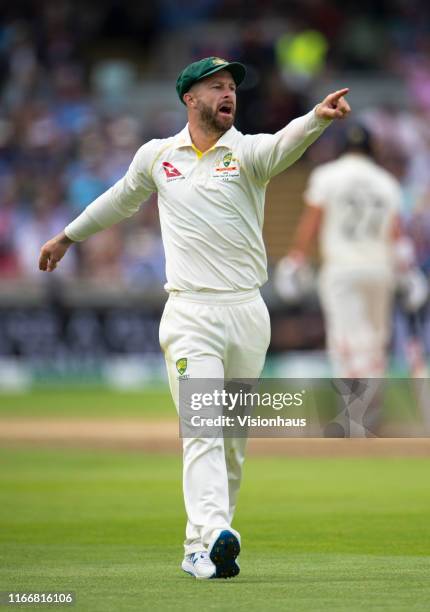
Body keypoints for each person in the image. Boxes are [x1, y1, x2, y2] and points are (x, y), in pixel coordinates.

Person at [39, 57, 350, 579]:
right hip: (190, 312)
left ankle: (198, 548)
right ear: (190, 98)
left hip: (248, 311)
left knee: (231, 443)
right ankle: (214, 534)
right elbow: (119, 200)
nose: (228, 94)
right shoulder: (159, 156)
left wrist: (316, 117)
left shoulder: (247, 153)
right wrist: (68, 236)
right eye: (217, 87)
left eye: (232, 87)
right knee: (203, 428)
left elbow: (282, 144)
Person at [280, 123, 406, 378]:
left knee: (345, 340)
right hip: (379, 269)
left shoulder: (326, 176)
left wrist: (296, 259)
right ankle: (370, 406)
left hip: (342, 269)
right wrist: (408, 271)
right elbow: (396, 234)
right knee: (375, 339)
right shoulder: (387, 182)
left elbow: (312, 221)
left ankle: (353, 411)